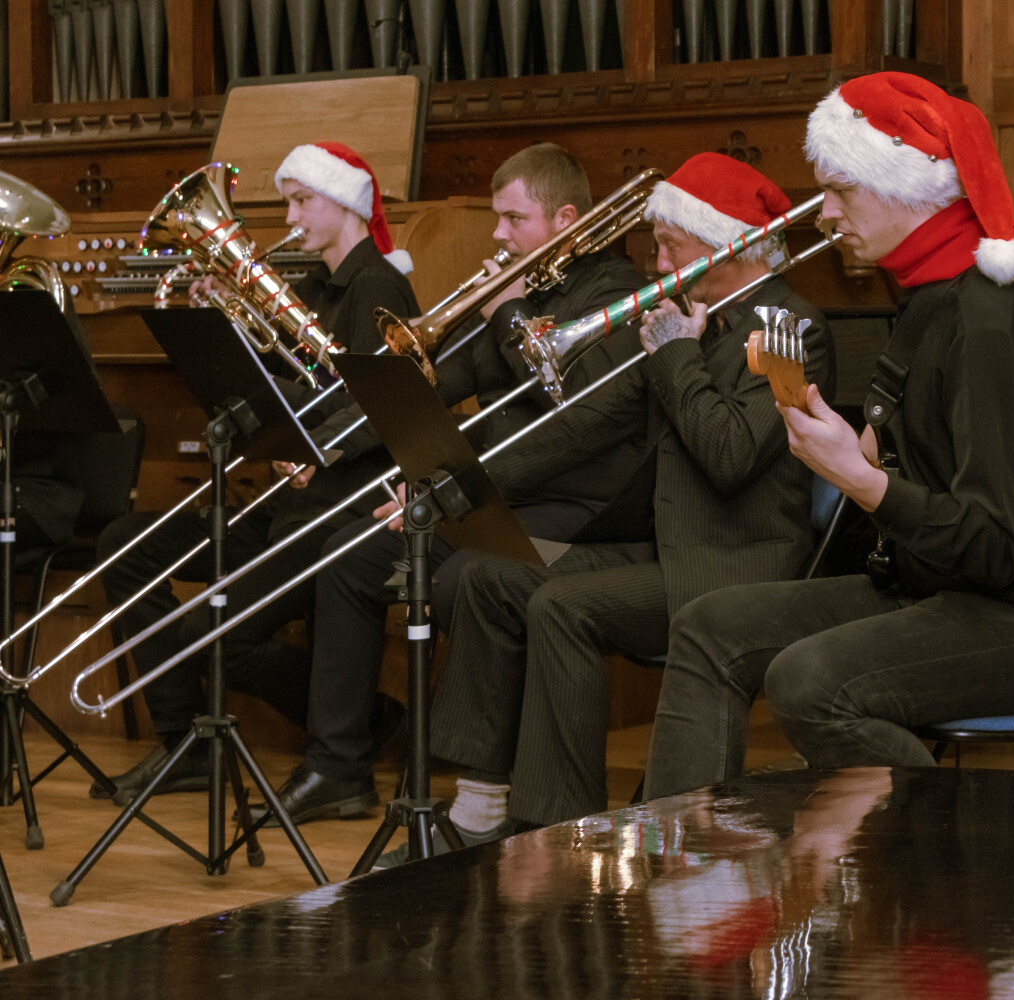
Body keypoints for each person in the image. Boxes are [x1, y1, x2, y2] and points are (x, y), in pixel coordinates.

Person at [642, 71, 1014, 799]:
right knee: (711, 626)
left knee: (809, 683)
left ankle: (929, 875)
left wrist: (863, 480)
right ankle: (689, 885)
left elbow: (994, 547)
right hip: (934, 584)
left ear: (905, 187)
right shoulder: (931, 295)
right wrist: (864, 451)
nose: (826, 214)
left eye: (843, 190)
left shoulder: (992, 321)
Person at [374, 152, 833, 864]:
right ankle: (479, 806)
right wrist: (445, 483)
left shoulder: (784, 329)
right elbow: (584, 423)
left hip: (731, 562)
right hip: (660, 543)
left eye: (673, 243)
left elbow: (733, 453)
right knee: (493, 575)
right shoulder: (689, 317)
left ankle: (551, 829)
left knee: (564, 606)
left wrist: (676, 356)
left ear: (725, 244)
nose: (656, 258)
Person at [247, 143, 649, 825]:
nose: (497, 235)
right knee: (348, 556)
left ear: (565, 218)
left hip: (574, 504)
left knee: (466, 574)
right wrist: (325, 444)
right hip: (491, 492)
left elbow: (574, 401)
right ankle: (339, 765)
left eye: (512, 219)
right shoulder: (524, 288)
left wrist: (508, 313)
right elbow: (430, 383)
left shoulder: (615, 290)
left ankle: (485, 781)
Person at [93, 142, 420, 803]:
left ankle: (361, 724)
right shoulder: (312, 287)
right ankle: (183, 741)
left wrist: (314, 446)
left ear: (348, 202)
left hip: (341, 508)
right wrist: (226, 328)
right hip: (288, 505)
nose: (292, 215)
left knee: (206, 634)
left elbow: (374, 402)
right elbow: (283, 389)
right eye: (289, 200)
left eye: (303, 200)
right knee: (125, 547)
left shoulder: (378, 285)